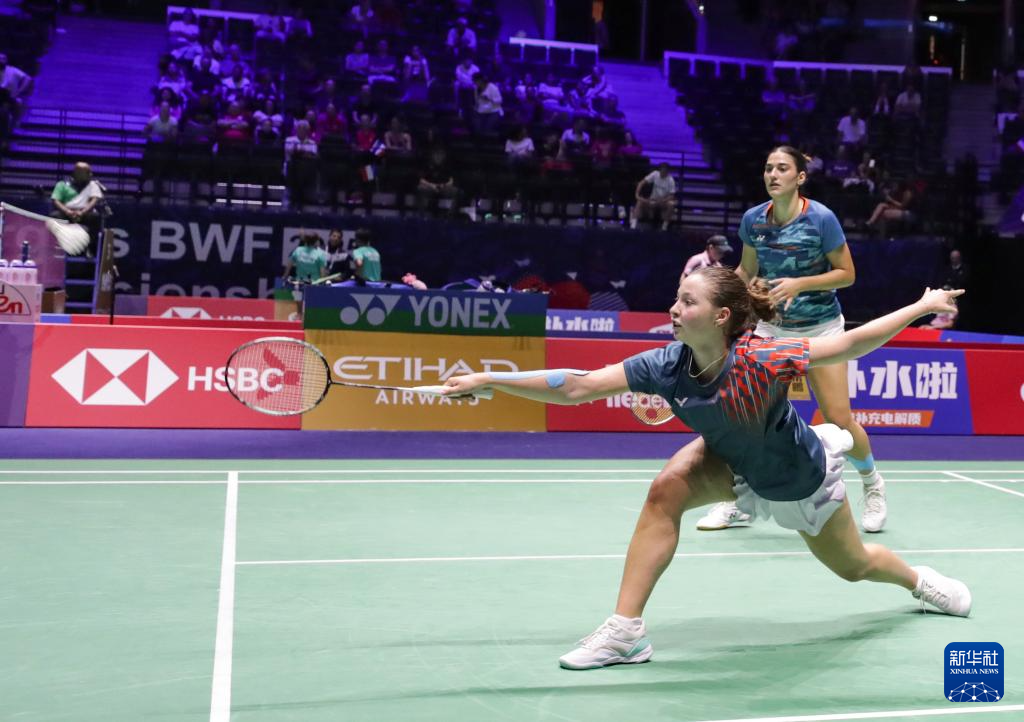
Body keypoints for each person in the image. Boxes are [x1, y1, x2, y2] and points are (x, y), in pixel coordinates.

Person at [440, 269, 970, 670]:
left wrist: (922, 306)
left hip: (794, 478)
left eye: (688, 302)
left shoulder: (762, 357)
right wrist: (491, 380)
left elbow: (850, 343)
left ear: (721, 317)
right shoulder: (666, 365)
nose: (674, 309)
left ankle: (919, 582)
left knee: (855, 566)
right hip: (730, 463)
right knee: (665, 491)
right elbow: (579, 385)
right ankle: (625, 632)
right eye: (677, 298)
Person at [697, 146, 887, 534]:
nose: (773, 174)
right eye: (768, 168)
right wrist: (715, 297)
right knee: (747, 415)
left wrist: (800, 284)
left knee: (839, 419)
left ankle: (873, 486)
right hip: (771, 329)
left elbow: (847, 274)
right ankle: (740, 500)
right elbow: (747, 270)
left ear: (800, 177)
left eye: (782, 168)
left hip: (821, 328)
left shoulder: (821, 219)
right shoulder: (754, 220)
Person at [50, 162, 105, 254]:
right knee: (54, 216)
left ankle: (90, 249)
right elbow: (56, 200)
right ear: (77, 173)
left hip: (85, 215)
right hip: (66, 214)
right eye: (87, 172)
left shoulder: (92, 185)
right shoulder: (62, 184)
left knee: (95, 217)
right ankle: (56, 250)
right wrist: (67, 211)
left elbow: (94, 200)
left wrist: (82, 212)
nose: (91, 174)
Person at [632, 162, 676, 231]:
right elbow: (641, 183)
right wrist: (637, 194)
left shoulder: (671, 180)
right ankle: (633, 226)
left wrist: (662, 200)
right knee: (639, 202)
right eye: (662, 171)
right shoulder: (655, 174)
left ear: (668, 172)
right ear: (659, 170)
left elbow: (672, 196)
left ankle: (664, 227)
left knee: (671, 204)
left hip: (662, 201)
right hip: (651, 200)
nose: (663, 173)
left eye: (665, 171)